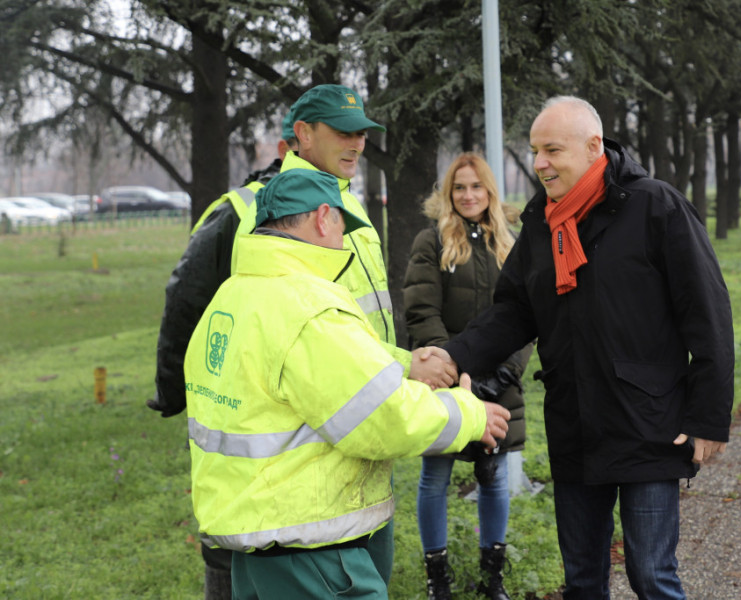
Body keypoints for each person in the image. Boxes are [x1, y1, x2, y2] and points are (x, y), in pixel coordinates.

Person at [151, 84, 453, 596]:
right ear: (302, 135)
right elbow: (190, 306)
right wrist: (174, 393)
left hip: (353, 453)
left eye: (361, 133)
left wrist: (401, 366)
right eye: (342, 131)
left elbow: (352, 331)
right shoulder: (247, 211)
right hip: (283, 480)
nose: (356, 143)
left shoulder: (347, 207)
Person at [442, 96, 735, 600]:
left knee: (652, 576)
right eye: (535, 151)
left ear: (593, 146)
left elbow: (707, 312)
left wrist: (709, 415)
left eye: (552, 150)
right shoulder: (541, 223)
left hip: (649, 425)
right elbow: (514, 311)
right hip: (574, 425)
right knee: (581, 581)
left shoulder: (655, 206)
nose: (539, 164)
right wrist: (453, 357)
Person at [184, 168, 511, 600]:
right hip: (313, 553)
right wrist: (470, 413)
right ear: (324, 217)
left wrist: (405, 363)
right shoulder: (307, 307)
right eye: (343, 225)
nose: (344, 240)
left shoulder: (233, 296)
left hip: (259, 545)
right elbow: (383, 416)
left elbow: (317, 369)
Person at [402, 153, 532, 600]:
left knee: (493, 476)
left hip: (498, 383)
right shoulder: (431, 241)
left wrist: (498, 377)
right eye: (459, 187)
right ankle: (438, 579)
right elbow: (421, 311)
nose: (468, 195)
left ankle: (491, 577)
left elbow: (527, 318)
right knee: (434, 477)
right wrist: (450, 371)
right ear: (448, 193)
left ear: (490, 191)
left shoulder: (511, 244)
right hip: (444, 380)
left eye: (477, 186)